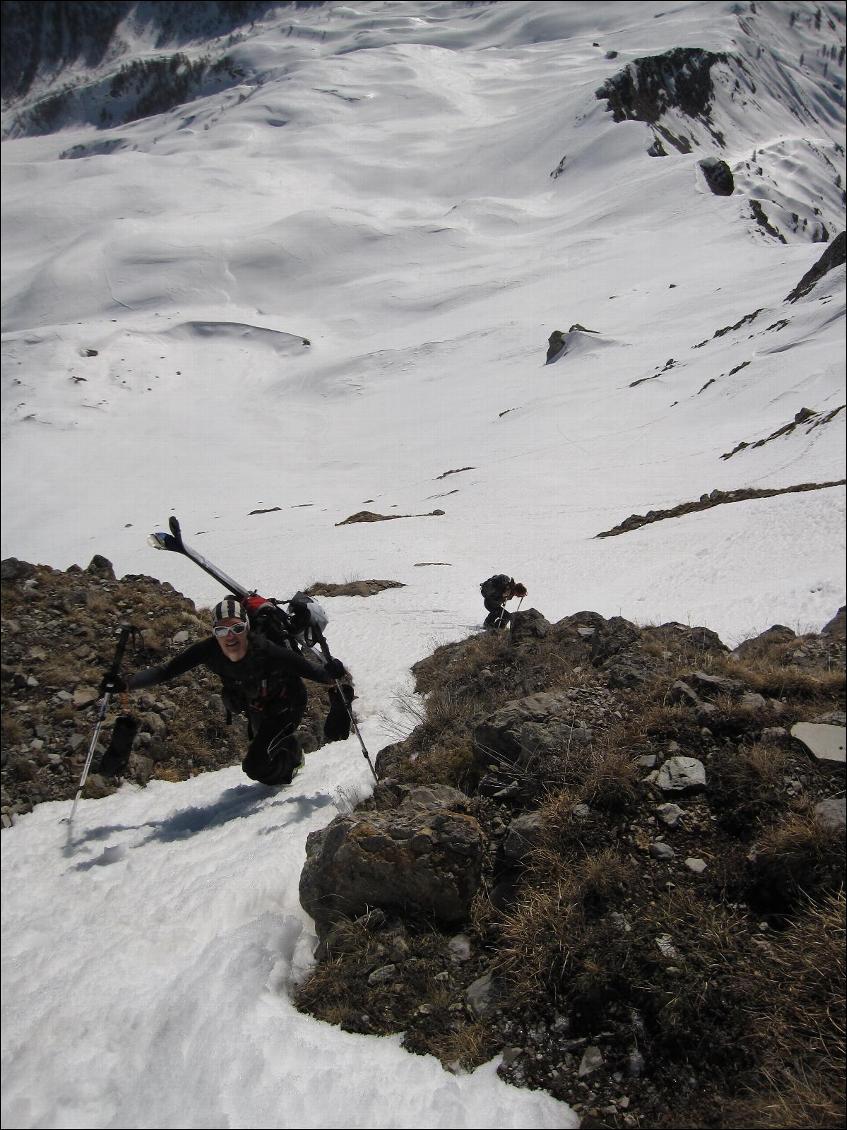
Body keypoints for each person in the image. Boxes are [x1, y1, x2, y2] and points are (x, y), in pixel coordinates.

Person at [100, 596, 351, 786]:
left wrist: (332, 673)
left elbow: (312, 671)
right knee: (263, 754)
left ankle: (294, 761)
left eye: (237, 629)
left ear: (247, 628)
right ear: (214, 633)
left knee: (256, 767)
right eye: (221, 630)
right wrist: (127, 683)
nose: (229, 637)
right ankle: (286, 754)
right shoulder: (209, 651)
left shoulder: (267, 651)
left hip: (287, 707)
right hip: (255, 706)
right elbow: (166, 671)